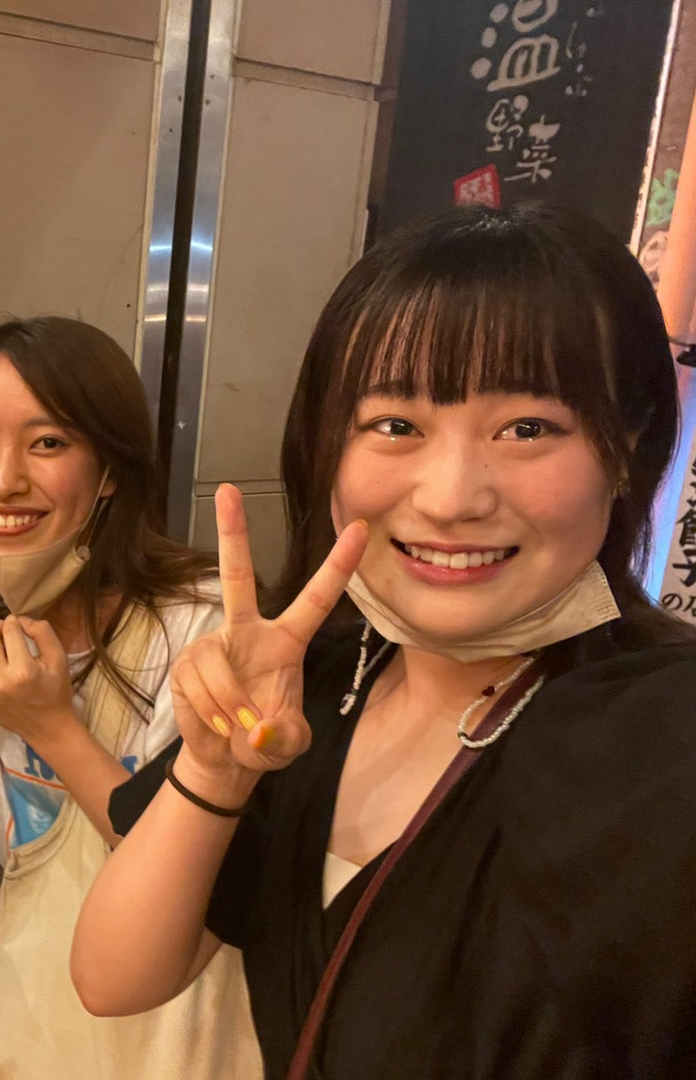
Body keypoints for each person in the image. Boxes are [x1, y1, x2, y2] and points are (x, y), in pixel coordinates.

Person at [71, 203, 696, 1078]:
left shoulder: (667, 735)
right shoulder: (318, 686)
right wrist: (214, 771)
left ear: (626, 448)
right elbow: (114, 979)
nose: (450, 497)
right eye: (396, 425)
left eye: (528, 428)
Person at [0, 317, 262, 1079]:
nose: (3, 480)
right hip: (35, 1032)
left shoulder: (203, 625)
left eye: (47, 443)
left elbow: (197, 882)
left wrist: (52, 728)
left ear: (110, 471)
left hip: (180, 1041)